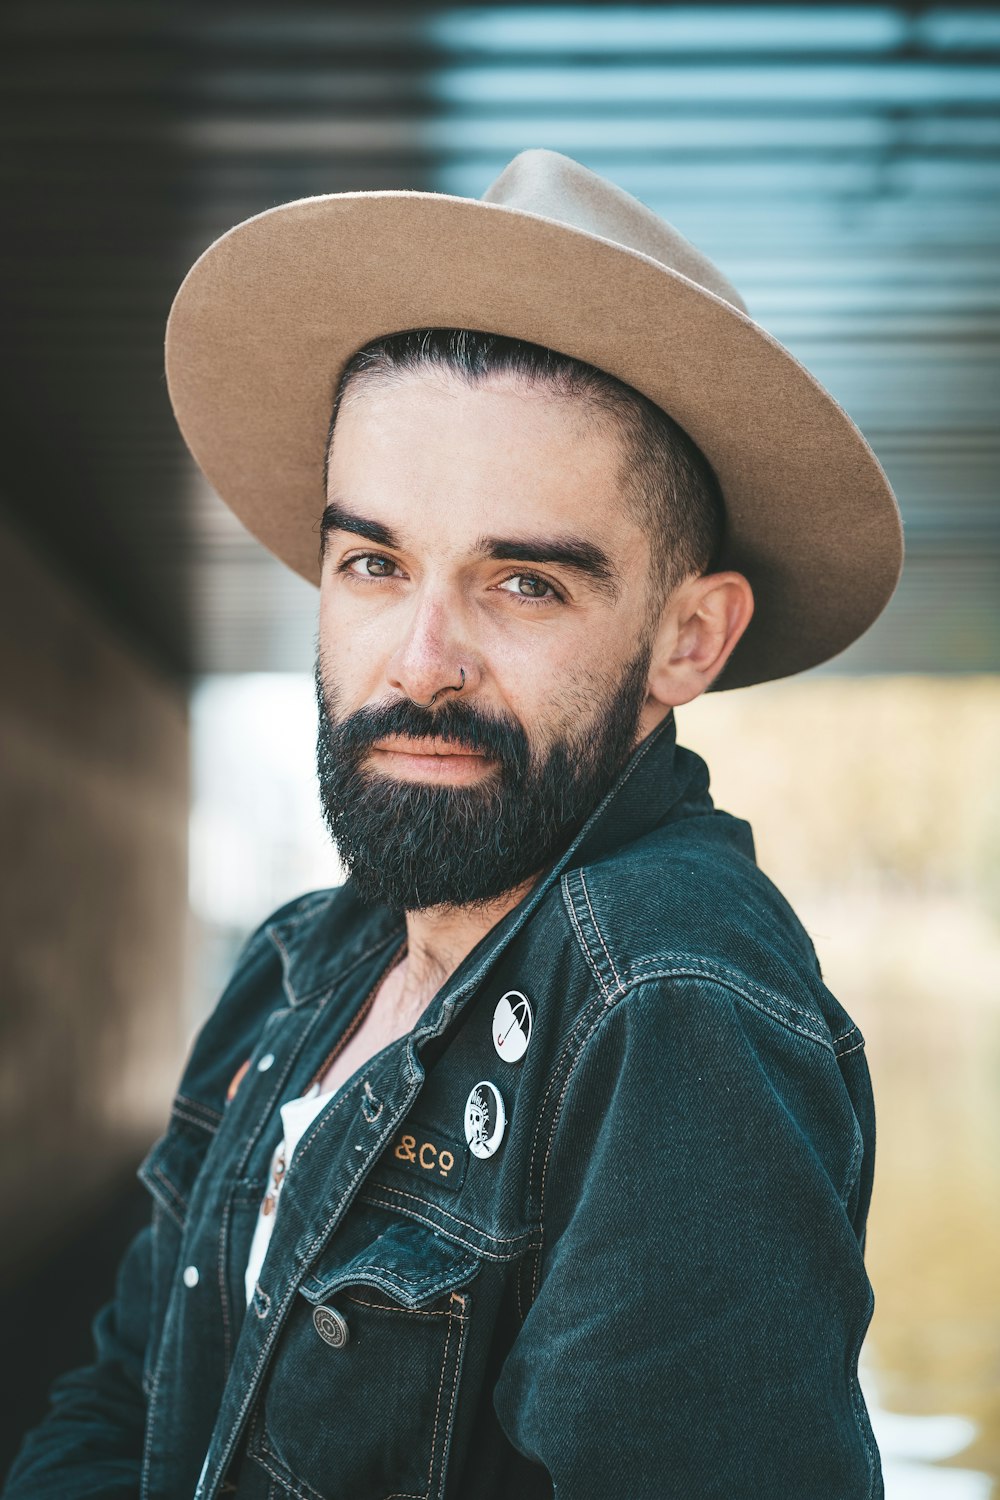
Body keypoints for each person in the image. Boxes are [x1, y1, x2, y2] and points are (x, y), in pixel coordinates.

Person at [4, 148, 903, 1500]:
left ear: (687, 638)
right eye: (373, 564)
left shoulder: (669, 1000)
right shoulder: (301, 965)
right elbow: (123, 1399)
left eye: (524, 583)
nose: (421, 661)